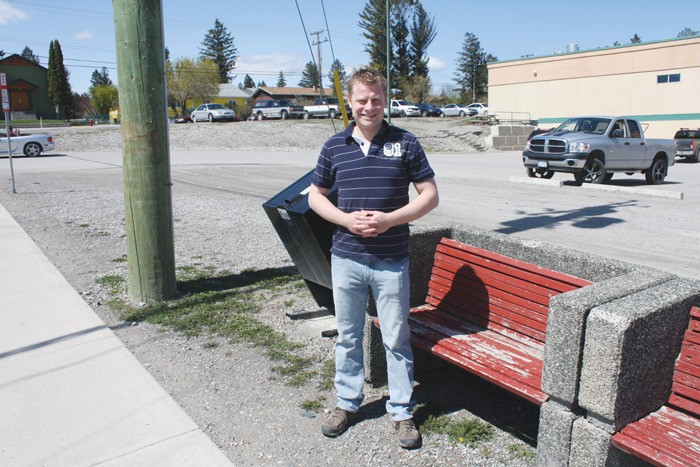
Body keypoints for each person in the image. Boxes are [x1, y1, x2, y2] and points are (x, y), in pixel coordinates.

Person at [308, 68, 439, 449]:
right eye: (362, 99)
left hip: (391, 259)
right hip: (346, 258)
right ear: (350, 102)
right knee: (348, 335)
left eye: (376, 99)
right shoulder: (334, 146)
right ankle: (347, 403)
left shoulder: (406, 143)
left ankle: (401, 411)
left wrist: (389, 220)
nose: (369, 106)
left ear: (386, 100)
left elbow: (429, 194)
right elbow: (315, 195)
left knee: (396, 336)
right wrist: (345, 219)